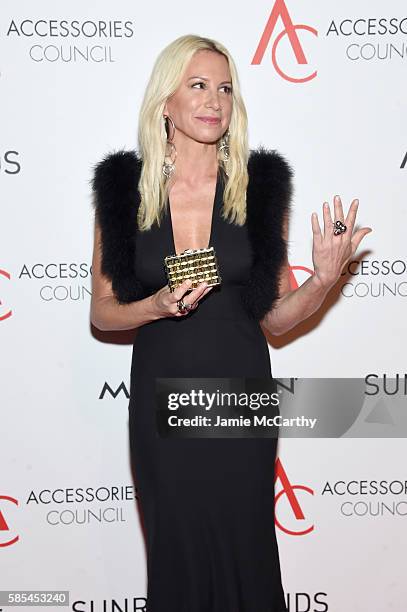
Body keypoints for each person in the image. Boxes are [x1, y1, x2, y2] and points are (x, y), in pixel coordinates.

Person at [90, 34, 372, 612]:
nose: (214, 100)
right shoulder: (124, 189)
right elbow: (102, 310)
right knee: (178, 554)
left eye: (224, 88)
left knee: (247, 550)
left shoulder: (259, 186)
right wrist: (156, 305)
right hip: (161, 401)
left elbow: (276, 316)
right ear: (165, 101)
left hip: (240, 397)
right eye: (198, 86)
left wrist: (322, 280)